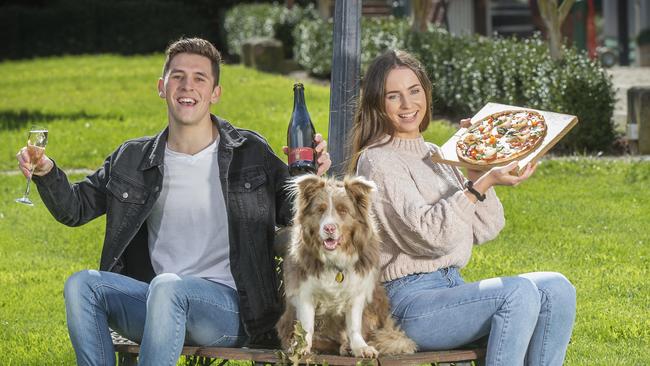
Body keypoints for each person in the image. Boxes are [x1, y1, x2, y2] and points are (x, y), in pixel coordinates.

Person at [15, 37, 331, 366]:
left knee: (168, 288)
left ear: (215, 93)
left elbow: (297, 211)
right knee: (82, 286)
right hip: (155, 304)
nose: (187, 86)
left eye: (199, 78)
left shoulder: (249, 152)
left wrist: (318, 178)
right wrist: (46, 171)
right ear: (161, 87)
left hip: (230, 310)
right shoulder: (133, 158)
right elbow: (74, 209)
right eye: (177, 76)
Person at [347, 50, 576, 366]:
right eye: (393, 96)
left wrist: (477, 170)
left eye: (414, 91)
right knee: (518, 293)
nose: (407, 104)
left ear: (426, 93)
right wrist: (478, 186)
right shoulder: (377, 161)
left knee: (557, 288)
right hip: (407, 303)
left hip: (450, 288)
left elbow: (487, 228)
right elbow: (429, 237)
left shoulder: (436, 154)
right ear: (377, 103)